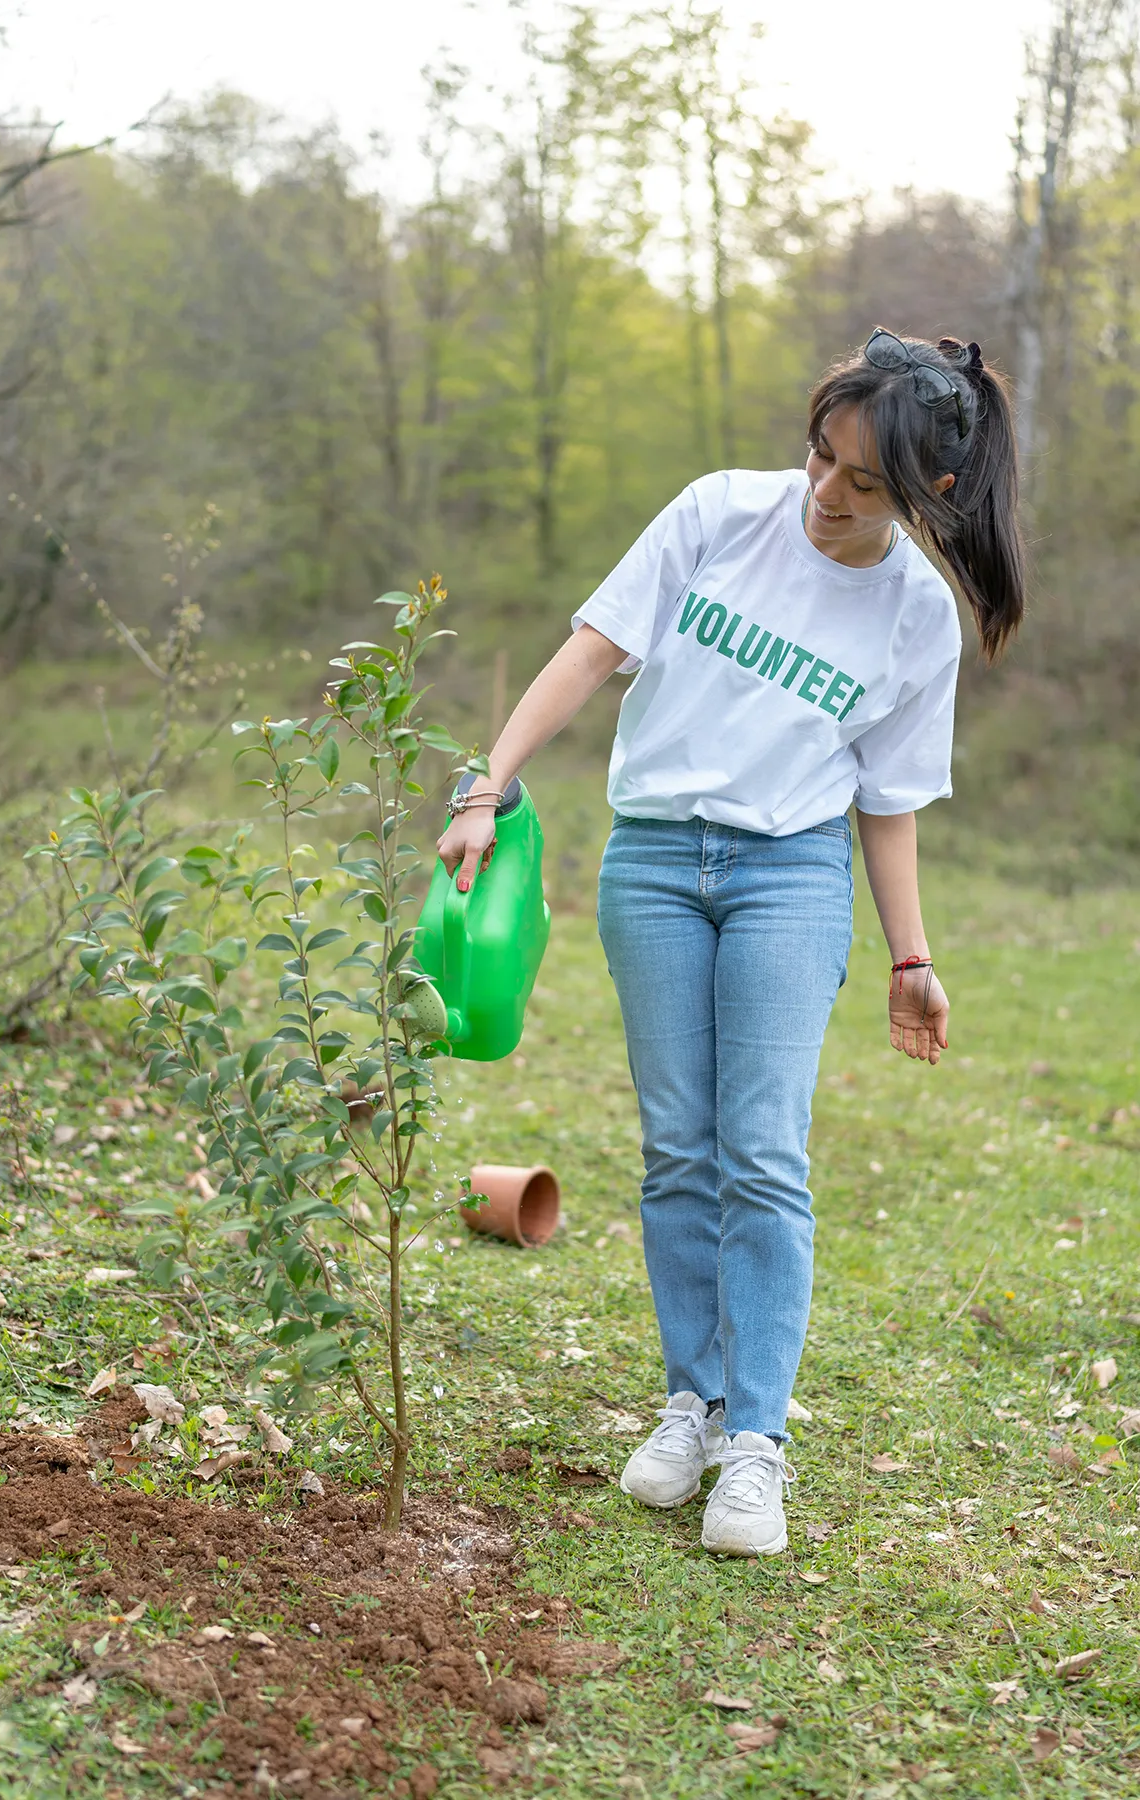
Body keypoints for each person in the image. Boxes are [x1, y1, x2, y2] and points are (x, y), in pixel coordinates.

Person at [437, 328, 1025, 1557]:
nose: (827, 492)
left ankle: (756, 1442)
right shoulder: (715, 514)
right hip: (651, 861)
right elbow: (592, 652)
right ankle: (689, 1407)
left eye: (865, 483)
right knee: (677, 1152)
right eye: (821, 457)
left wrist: (911, 959)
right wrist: (484, 784)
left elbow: (887, 802)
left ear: (929, 495)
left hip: (787, 875)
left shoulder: (916, 616)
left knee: (761, 1152)